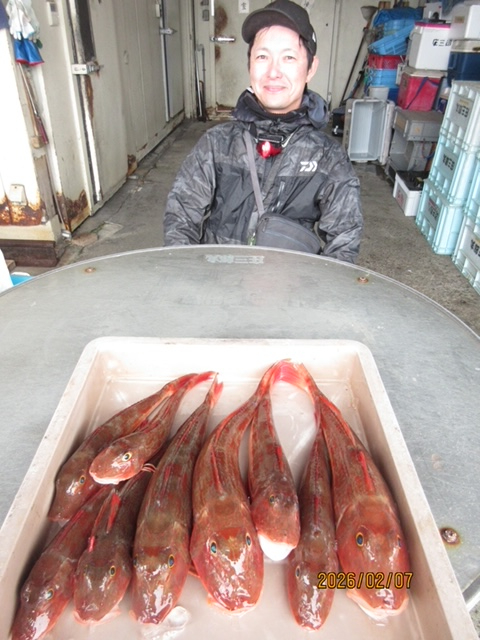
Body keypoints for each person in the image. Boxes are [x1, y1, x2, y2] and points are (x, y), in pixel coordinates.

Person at [164, 0, 363, 263]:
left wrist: (311, 287)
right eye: (262, 57)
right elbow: (180, 219)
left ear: (310, 68)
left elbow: (344, 243)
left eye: (288, 57)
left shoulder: (328, 158)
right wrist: (189, 276)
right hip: (217, 280)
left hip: (290, 284)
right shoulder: (216, 144)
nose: (273, 72)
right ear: (249, 65)